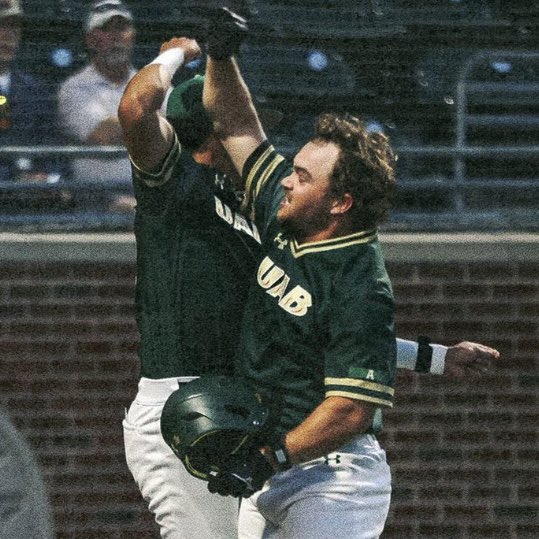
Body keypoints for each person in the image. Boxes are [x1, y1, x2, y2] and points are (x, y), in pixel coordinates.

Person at [118, 35, 499, 538]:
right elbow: (144, 110)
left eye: (302, 174)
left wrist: (433, 358)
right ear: (208, 139)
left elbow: (317, 337)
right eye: (294, 171)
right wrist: (186, 51)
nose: (288, 174)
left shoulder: (277, 218)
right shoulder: (178, 189)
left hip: (252, 424)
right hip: (183, 402)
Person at [57, 0, 137, 209]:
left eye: (122, 28)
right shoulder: (73, 89)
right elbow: (103, 137)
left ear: (132, 36)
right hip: (95, 199)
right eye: (106, 29)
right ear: (90, 39)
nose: (116, 37)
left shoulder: (156, 83)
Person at [0, 0, 62, 183]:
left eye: (14, 27)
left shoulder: (36, 92)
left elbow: (54, 148)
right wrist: (15, 178)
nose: (8, 35)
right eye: (1, 25)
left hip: (35, 202)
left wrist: (50, 179)